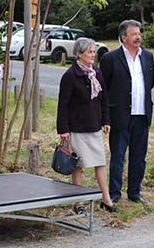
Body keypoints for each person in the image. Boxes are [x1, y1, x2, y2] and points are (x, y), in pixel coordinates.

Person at [57, 37, 117, 214]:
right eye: (90, 52)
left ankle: (106, 199)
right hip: (76, 127)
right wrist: (63, 130)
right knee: (78, 166)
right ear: (79, 54)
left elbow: (104, 99)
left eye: (94, 51)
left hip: (94, 126)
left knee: (100, 162)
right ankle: (78, 203)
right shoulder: (70, 75)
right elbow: (63, 105)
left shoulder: (96, 72)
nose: (93, 55)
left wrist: (106, 120)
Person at [100, 19, 154, 204]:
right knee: (118, 156)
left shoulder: (147, 57)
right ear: (124, 37)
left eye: (139, 34)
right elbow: (103, 89)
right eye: (134, 34)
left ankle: (135, 192)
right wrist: (105, 117)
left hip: (142, 114)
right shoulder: (110, 58)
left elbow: (150, 83)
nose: (138, 37)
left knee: (139, 157)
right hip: (119, 115)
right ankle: (114, 193)